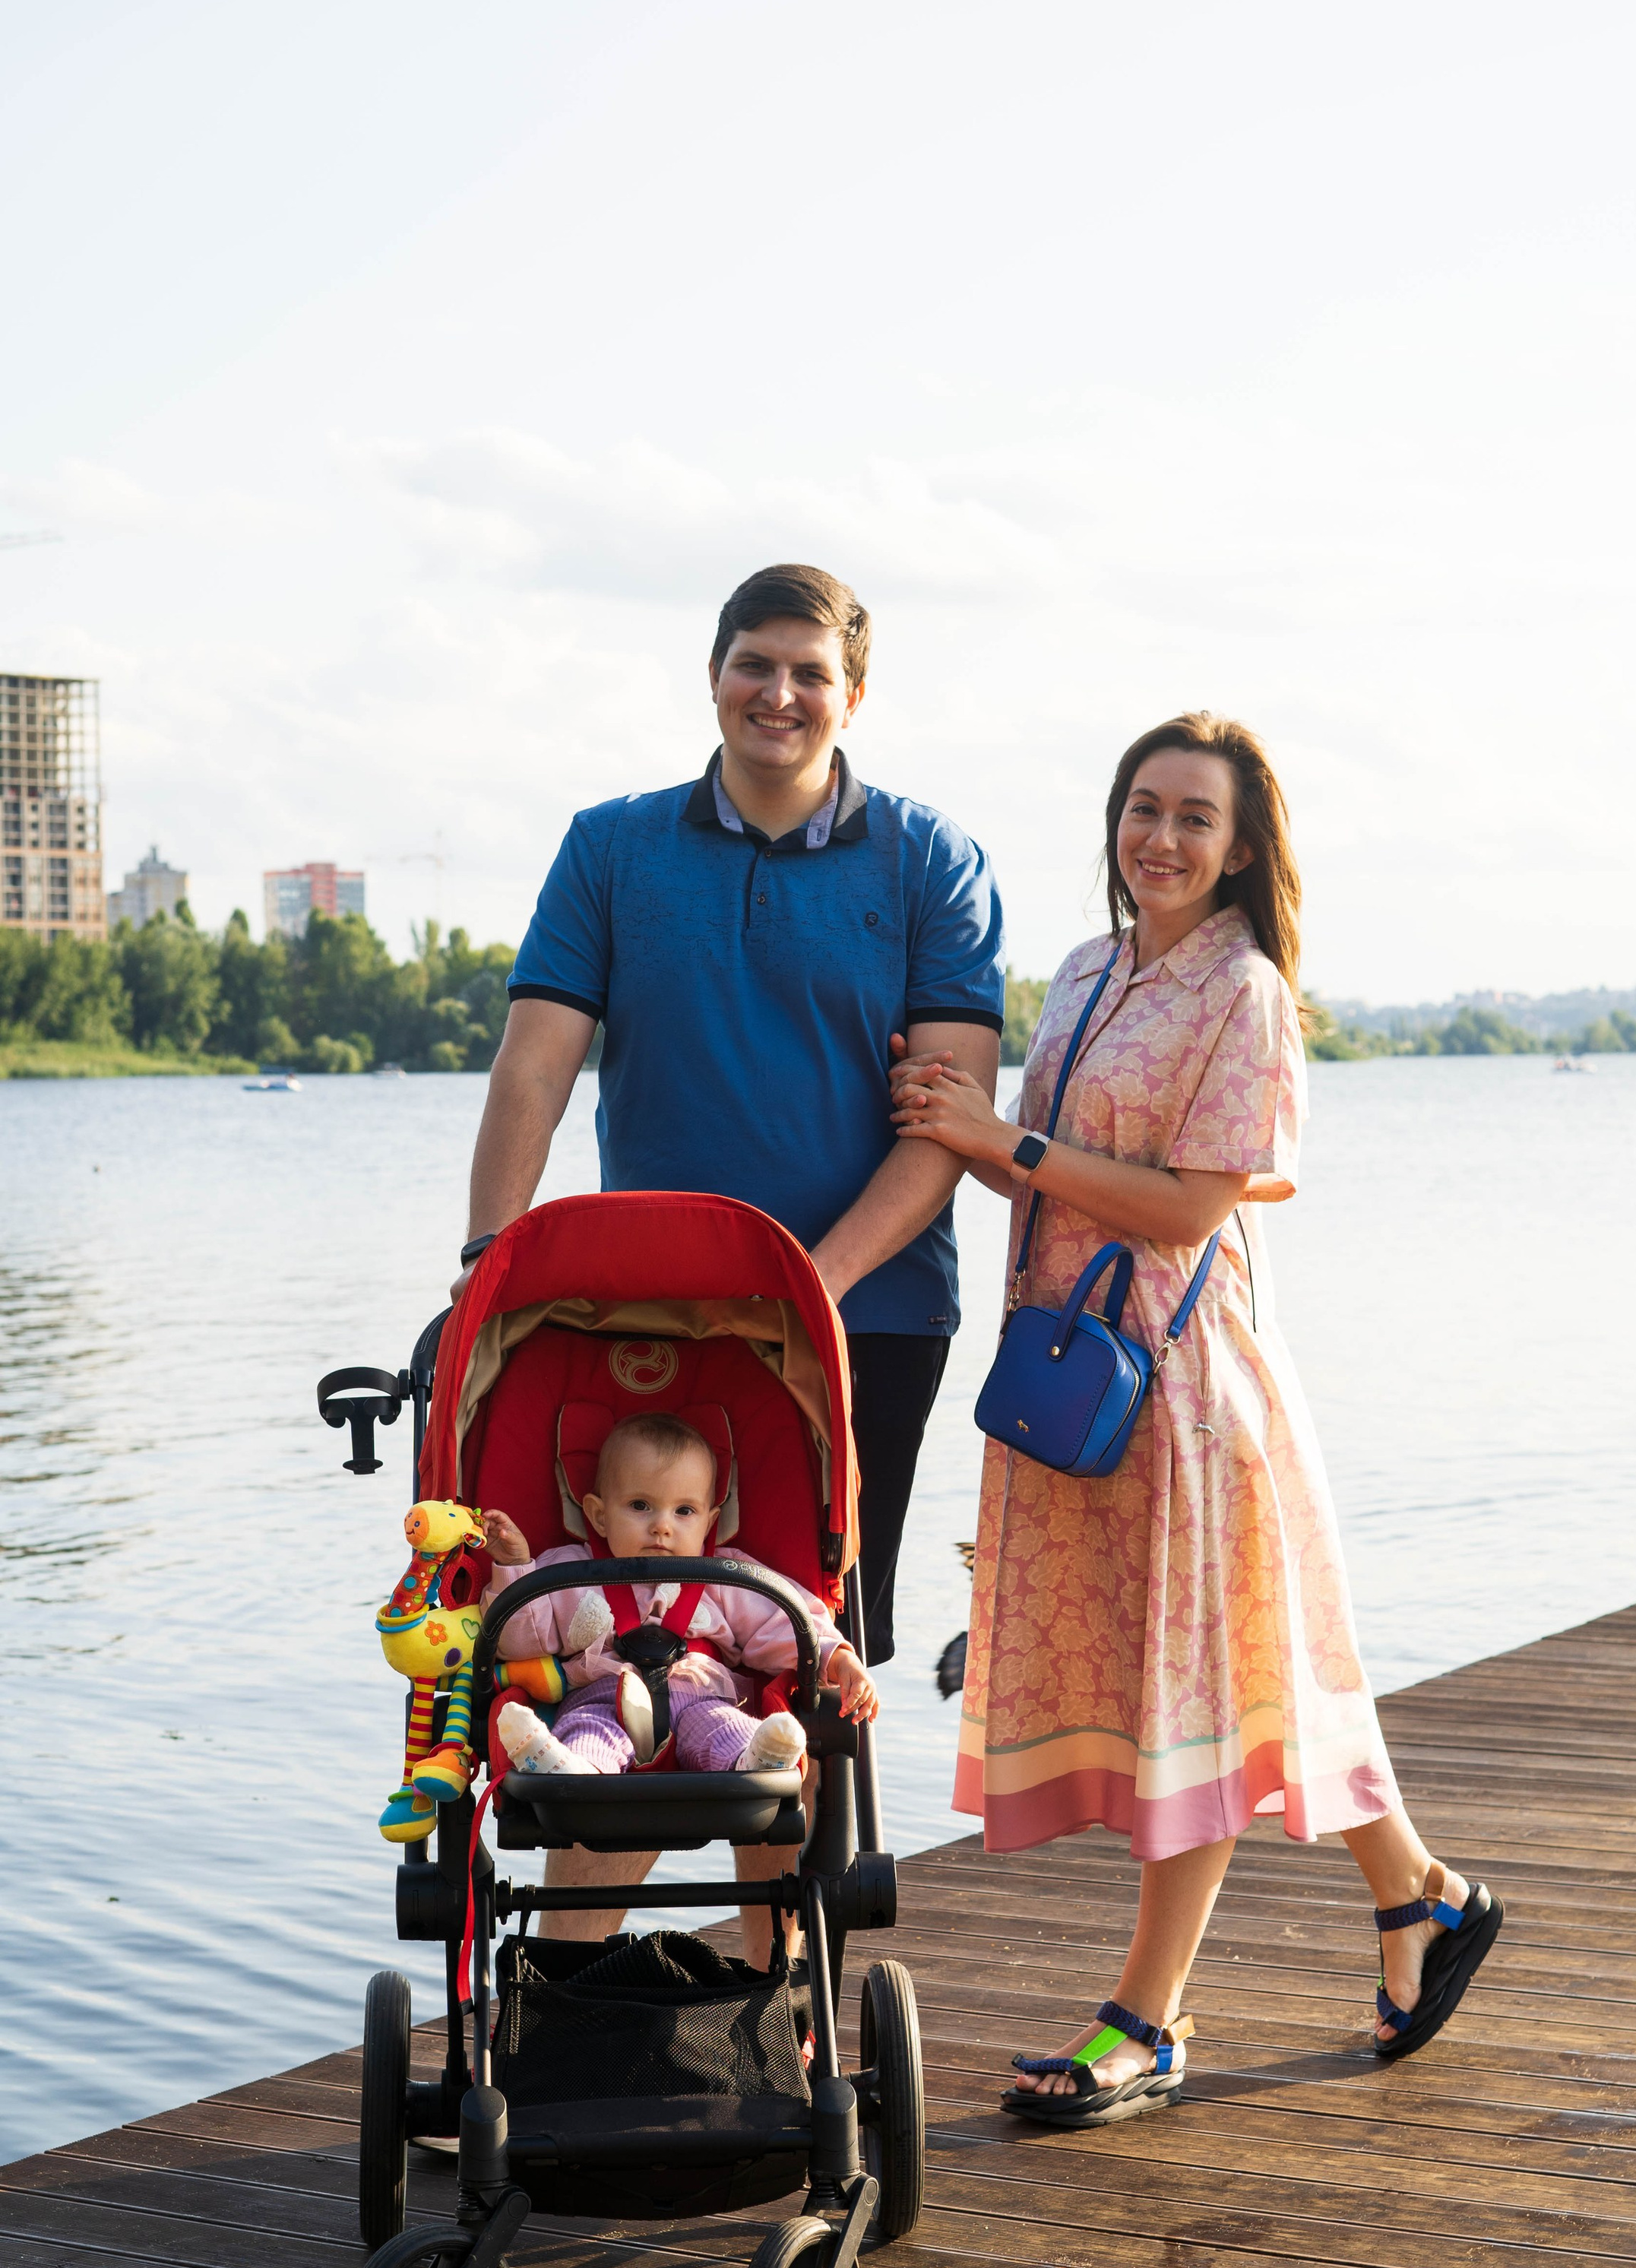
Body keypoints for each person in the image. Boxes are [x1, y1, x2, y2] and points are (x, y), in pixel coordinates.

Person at [892, 711, 1502, 2124]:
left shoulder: (1250, 995)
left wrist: (1005, 1138)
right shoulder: (1089, 969)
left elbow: (1187, 1208)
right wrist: (962, 1129)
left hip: (1185, 1386)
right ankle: (1424, 1899)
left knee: (1198, 1701)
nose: (1160, 839)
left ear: (1239, 850)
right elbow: (1052, 1184)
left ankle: (1148, 2022)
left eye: (1193, 819)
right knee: (1258, 1679)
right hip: (1071, 1377)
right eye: (1142, 808)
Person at [457, 562, 1002, 1941]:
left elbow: (947, 1122)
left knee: (795, 1669)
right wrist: (486, 1269)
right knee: (619, 1636)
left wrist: (810, 1286)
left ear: (853, 695)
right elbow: (535, 1070)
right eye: (756, 663)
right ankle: (569, 1991)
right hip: (646, 1317)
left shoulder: (930, 861)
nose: (781, 694)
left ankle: (780, 1993)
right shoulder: (614, 847)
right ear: (714, 676)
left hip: (864, 1319)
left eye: (811, 672)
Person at [481, 1415, 878, 1961]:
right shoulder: (571, 1573)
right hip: (606, 1697)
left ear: (711, 1519)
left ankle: (754, 1759)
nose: (662, 1527)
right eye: (640, 1507)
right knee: (585, 1729)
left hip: (701, 1695)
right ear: (598, 1512)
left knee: (727, 1727)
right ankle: (572, 1769)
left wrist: (838, 1658)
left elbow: (784, 1625)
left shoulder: (724, 1577)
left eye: (683, 1511)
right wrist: (513, 1567)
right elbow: (521, 1637)